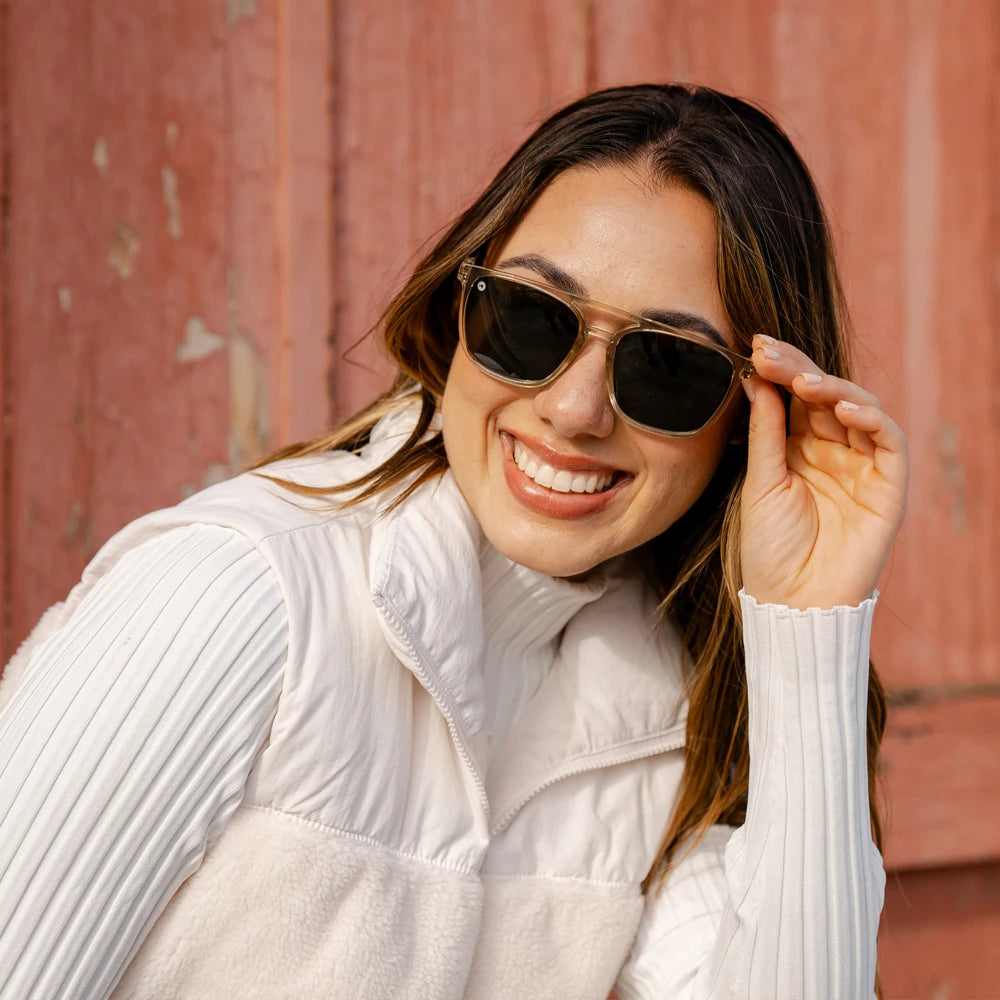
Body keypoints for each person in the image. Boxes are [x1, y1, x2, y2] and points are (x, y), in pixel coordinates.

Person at [0, 83, 906, 999]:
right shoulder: (234, 597)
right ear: (457, 307)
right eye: (530, 318)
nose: (573, 408)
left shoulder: (676, 719)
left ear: (755, 426)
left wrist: (808, 628)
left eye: (666, 367)